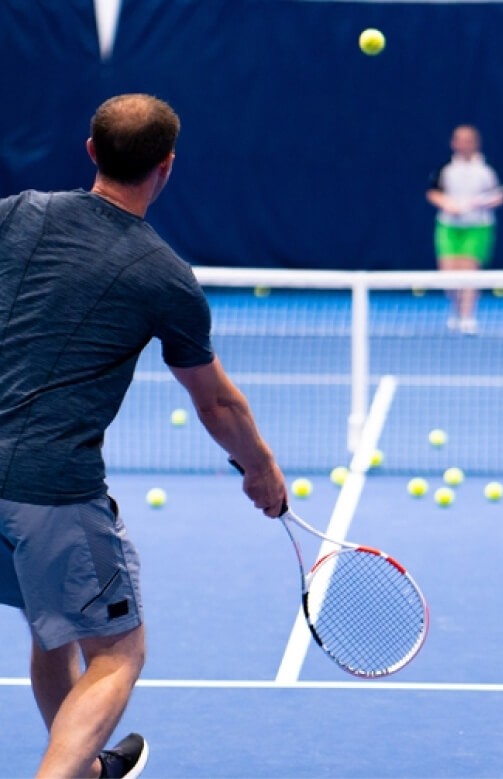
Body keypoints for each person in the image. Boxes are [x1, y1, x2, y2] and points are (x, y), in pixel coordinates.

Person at [0, 93, 287, 778]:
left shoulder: (17, 213)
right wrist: (262, 470)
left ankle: (91, 769)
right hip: (51, 488)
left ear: (92, 151)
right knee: (118, 650)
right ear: (167, 167)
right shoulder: (165, 276)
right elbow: (216, 404)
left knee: (56, 625)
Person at [426, 125, 503, 334]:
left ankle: (467, 315)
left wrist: (485, 203)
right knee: (448, 275)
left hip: (478, 227)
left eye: (468, 140)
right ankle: (457, 310)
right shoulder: (446, 169)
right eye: (459, 140)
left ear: (476, 143)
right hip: (449, 227)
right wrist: (449, 205)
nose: (464, 144)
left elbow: (498, 196)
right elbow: (433, 192)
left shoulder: (486, 171)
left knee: (469, 272)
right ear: (453, 143)